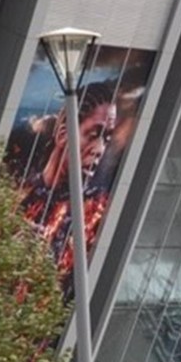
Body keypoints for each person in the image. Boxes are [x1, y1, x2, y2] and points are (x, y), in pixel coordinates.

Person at [16, 81, 118, 299]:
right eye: (93, 134)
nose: (100, 149)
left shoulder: (92, 214)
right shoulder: (16, 192)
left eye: (107, 139)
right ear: (63, 134)